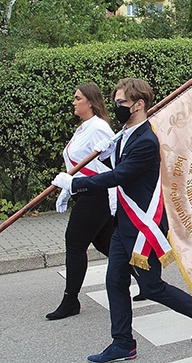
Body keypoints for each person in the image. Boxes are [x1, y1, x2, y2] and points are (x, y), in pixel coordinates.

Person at [52, 78, 192, 363]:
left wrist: (76, 184)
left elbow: (120, 176)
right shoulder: (124, 134)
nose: (117, 108)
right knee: (115, 281)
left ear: (139, 104)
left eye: (121, 104)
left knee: (151, 286)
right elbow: (114, 167)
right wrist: (106, 154)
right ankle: (123, 344)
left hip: (145, 225)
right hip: (125, 223)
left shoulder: (146, 140)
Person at [46, 83, 116, 321]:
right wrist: (67, 188)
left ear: (91, 102)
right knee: (106, 244)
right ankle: (146, 277)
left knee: (74, 243)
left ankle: (70, 300)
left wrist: (107, 149)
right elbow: (78, 164)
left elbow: (111, 159)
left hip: (95, 195)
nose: (74, 102)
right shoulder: (84, 127)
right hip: (83, 192)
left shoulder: (98, 128)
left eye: (78, 98)